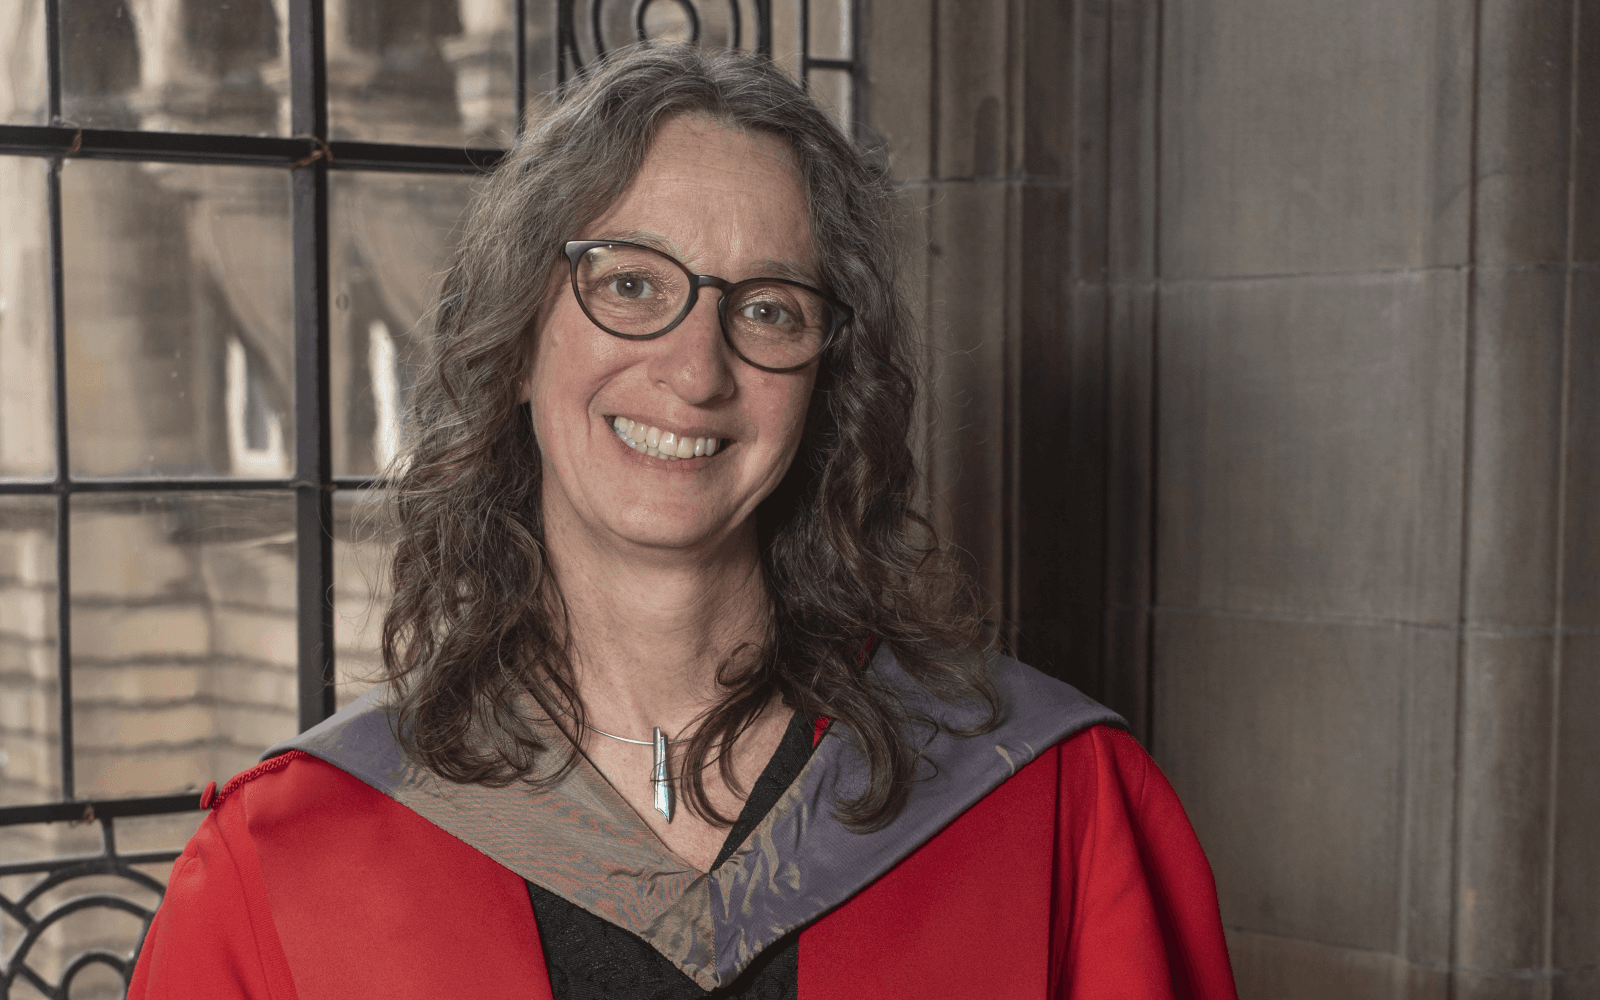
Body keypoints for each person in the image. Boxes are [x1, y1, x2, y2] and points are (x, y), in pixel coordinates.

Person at [129, 45, 1238, 1000]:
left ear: (826, 384)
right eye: (629, 285)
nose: (697, 369)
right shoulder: (285, 858)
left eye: (769, 308)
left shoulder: (1053, 803)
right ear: (517, 338)